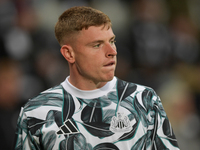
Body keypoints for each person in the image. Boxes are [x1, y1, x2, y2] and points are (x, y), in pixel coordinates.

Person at [14, 6, 179, 150]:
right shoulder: (36, 112)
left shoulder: (145, 99)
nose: (112, 51)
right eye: (97, 45)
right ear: (69, 53)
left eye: (112, 41)